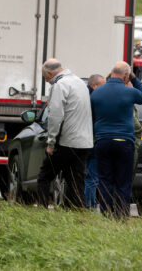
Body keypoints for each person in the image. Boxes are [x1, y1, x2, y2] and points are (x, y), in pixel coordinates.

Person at [91, 60, 142, 217]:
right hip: (124, 142)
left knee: (104, 180)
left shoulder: (97, 92)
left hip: (102, 141)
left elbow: (93, 116)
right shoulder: (129, 92)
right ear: (125, 76)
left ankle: (106, 214)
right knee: (123, 181)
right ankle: (121, 215)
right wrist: (135, 79)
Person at [37, 58, 93, 209]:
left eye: (45, 77)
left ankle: (41, 209)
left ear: (49, 73)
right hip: (84, 142)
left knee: (44, 176)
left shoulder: (60, 85)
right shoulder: (80, 83)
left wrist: (51, 142)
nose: (47, 81)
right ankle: (76, 211)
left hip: (67, 141)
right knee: (75, 180)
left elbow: (55, 116)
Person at [83, 73, 106, 210]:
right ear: (94, 85)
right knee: (92, 178)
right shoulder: (94, 99)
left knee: (87, 176)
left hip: (84, 141)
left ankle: (87, 205)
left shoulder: (85, 97)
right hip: (93, 142)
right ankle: (89, 206)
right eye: (102, 86)